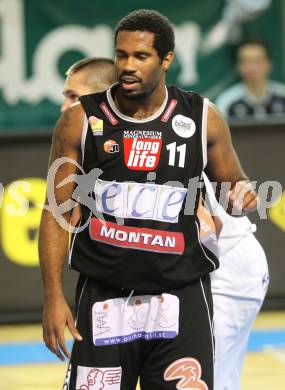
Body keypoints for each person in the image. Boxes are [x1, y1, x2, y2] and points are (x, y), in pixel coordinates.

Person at [39, 9, 258, 390]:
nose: (127, 65)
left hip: (181, 296)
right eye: (121, 55)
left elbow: (234, 189)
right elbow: (56, 214)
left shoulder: (202, 117)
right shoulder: (79, 121)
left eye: (140, 56)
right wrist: (53, 297)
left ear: (166, 59)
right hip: (105, 296)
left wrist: (244, 196)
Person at [198, 173, 269, 390]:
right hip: (229, 268)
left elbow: (208, 229)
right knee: (222, 380)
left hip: (229, 273)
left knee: (204, 378)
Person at [216, 39, 285, 120]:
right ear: (237, 66)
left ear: (269, 63)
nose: (253, 67)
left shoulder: (283, 95)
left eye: (258, 60)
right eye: (246, 61)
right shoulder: (226, 102)